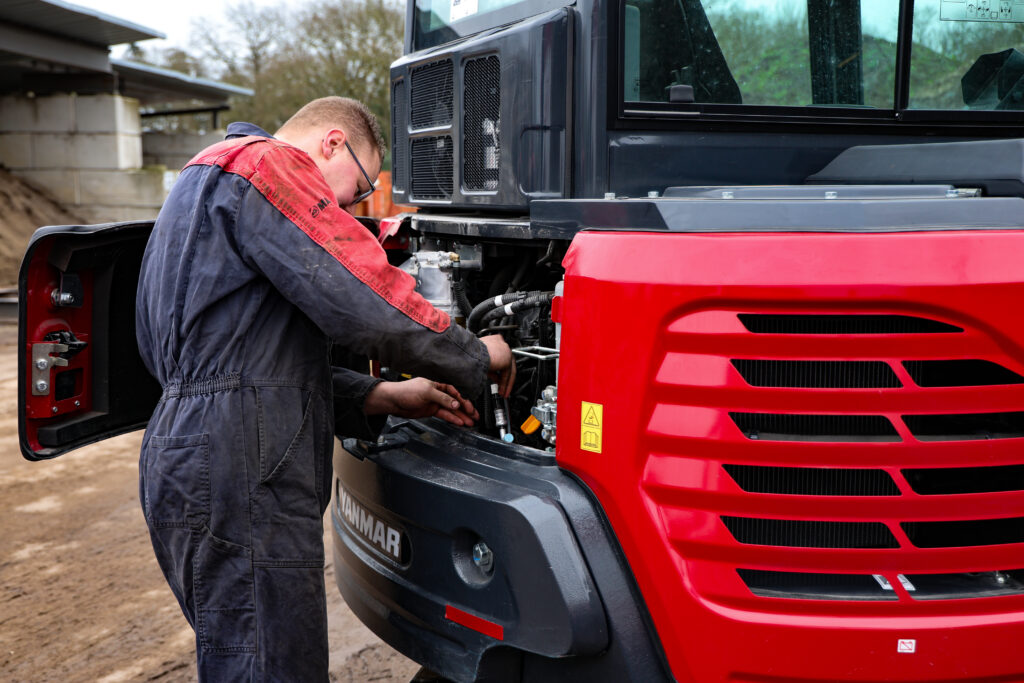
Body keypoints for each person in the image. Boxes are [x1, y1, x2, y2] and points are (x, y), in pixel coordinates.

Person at [135, 96, 514, 682]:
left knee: (248, 653)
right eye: (358, 191)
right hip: (238, 462)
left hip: (190, 453)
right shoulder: (269, 166)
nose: (349, 210)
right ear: (333, 143)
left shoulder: (204, 176)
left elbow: (250, 364)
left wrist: (382, 397)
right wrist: (475, 354)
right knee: (270, 666)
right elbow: (364, 298)